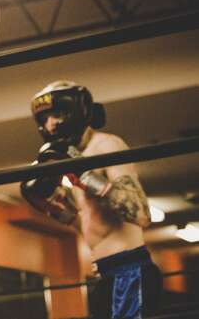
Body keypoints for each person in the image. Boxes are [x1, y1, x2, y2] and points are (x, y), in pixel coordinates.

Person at [21, 80, 163, 319]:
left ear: (78, 111)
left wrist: (87, 175)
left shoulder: (107, 144)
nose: (50, 124)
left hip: (129, 270)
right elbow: (92, 226)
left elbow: (141, 214)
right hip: (104, 274)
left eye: (57, 114)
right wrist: (59, 210)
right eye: (43, 119)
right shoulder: (73, 157)